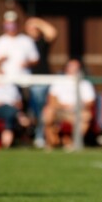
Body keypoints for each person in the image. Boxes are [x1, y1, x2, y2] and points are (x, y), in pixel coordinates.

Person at [42, 59, 97, 151]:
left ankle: (72, 143)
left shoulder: (85, 84)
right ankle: (52, 142)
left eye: (76, 67)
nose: (74, 69)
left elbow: (90, 102)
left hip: (76, 112)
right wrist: (62, 106)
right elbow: (52, 100)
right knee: (48, 112)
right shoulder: (59, 81)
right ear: (66, 68)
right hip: (60, 110)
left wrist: (76, 106)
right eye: (71, 66)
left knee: (86, 116)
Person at [25, 16, 59, 148]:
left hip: (44, 81)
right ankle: (37, 135)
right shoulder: (24, 43)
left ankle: (43, 136)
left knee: (46, 111)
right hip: (29, 82)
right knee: (35, 112)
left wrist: (37, 22)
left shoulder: (41, 43)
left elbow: (52, 33)